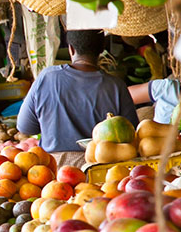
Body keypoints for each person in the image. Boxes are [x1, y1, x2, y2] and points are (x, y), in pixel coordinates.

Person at [17, 30, 139, 167]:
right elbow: (131, 136)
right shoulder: (116, 86)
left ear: (71, 49)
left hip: (52, 172)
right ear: (102, 49)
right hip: (101, 171)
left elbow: (25, 127)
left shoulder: (46, 77)